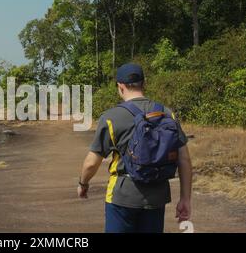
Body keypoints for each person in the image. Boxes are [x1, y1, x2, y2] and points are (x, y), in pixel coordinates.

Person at [77, 63, 193, 233]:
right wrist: (185, 199)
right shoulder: (167, 113)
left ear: (120, 86)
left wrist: (83, 183)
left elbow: (91, 163)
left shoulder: (111, 117)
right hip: (157, 197)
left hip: (122, 196)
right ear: (143, 84)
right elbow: (184, 160)